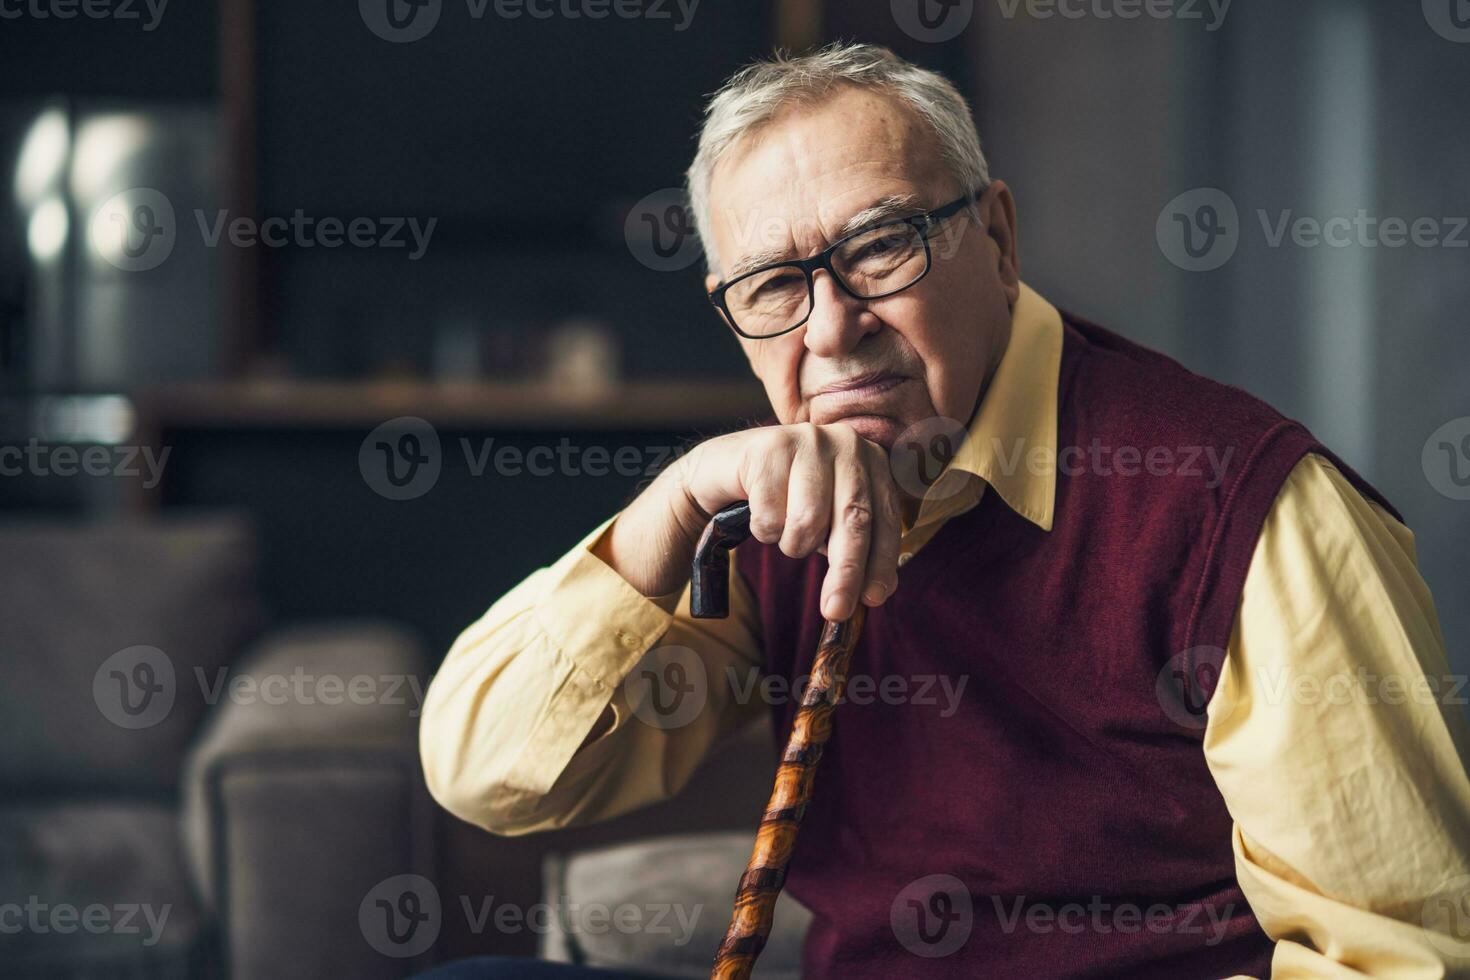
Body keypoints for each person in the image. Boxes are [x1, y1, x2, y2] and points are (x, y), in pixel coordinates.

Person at [418, 43, 1470, 979]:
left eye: (879, 247)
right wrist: (674, 503)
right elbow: (487, 777)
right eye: (774, 286)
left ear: (999, 239)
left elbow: (1392, 954)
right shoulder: (761, 511)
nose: (831, 330)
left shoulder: (1253, 511)